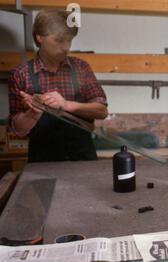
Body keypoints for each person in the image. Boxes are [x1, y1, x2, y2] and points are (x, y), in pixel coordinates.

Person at [8, 9, 108, 162]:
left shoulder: (81, 67)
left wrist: (66, 105)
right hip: (42, 162)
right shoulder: (21, 74)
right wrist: (32, 114)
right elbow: (17, 130)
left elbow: (101, 111)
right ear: (39, 37)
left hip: (82, 160)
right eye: (59, 40)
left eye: (69, 40)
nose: (66, 47)